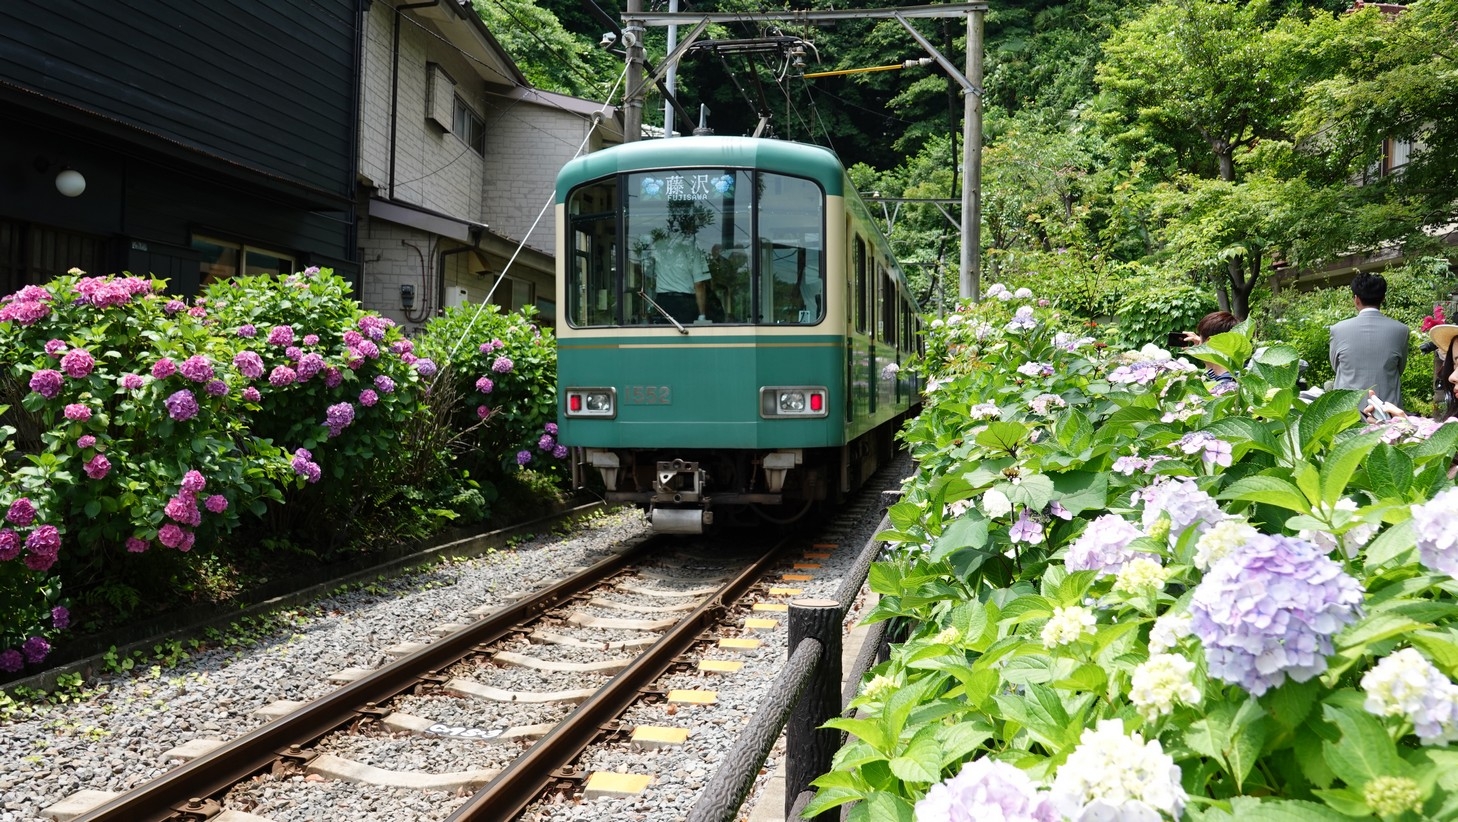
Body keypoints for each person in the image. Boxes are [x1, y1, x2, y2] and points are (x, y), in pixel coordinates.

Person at [1328, 272, 1410, 408]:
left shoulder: (1338, 330)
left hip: (1347, 411)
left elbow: (1336, 367)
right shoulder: (1401, 330)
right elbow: (1399, 368)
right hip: (1387, 411)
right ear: (1383, 298)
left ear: (1356, 299)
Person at [644, 215, 711, 324]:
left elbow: (649, 276)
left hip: (662, 301)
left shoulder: (657, 246)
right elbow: (699, 283)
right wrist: (702, 315)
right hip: (685, 302)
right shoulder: (692, 247)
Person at [1178, 310, 1241, 388]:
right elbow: (1212, 369)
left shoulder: (1224, 385)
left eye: (1200, 338)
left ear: (1210, 341)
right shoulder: (1234, 374)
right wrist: (1202, 350)